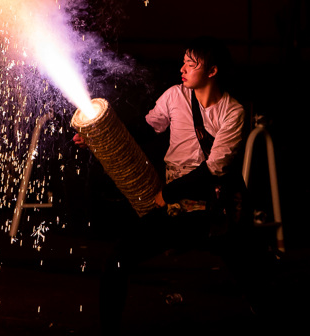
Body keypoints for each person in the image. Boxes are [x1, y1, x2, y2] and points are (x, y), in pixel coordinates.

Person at [88, 37, 247, 334]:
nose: (182, 68)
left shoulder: (233, 112)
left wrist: (168, 193)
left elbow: (215, 169)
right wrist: (98, 134)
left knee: (251, 273)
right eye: (183, 62)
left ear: (212, 71)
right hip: (173, 208)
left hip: (213, 208)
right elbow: (145, 129)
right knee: (117, 260)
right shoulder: (175, 96)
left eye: (190, 63)